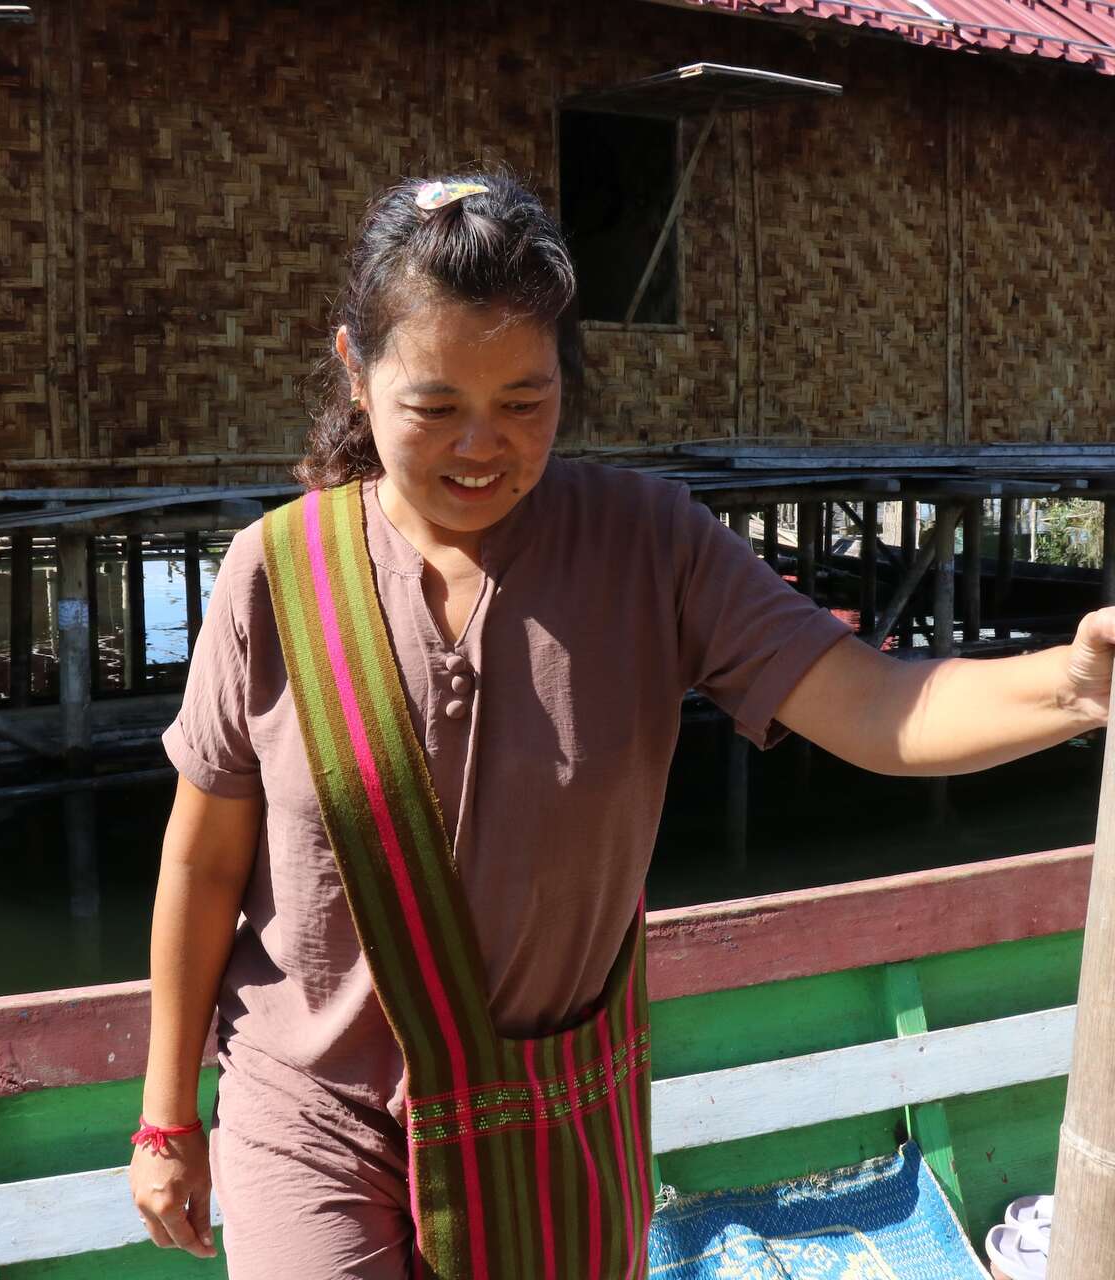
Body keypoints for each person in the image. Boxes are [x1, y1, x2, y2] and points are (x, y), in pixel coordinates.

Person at [127, 171, 1115, 1280]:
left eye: (524, 401)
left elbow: (878, 706)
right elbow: (204, 861)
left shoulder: (649, 545)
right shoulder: (276, 575)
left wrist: (1079, 683)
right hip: (308, 1103)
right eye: (434, 405)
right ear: (355, 373)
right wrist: (167, 1115)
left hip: (545, 1104)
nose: (479, 445)